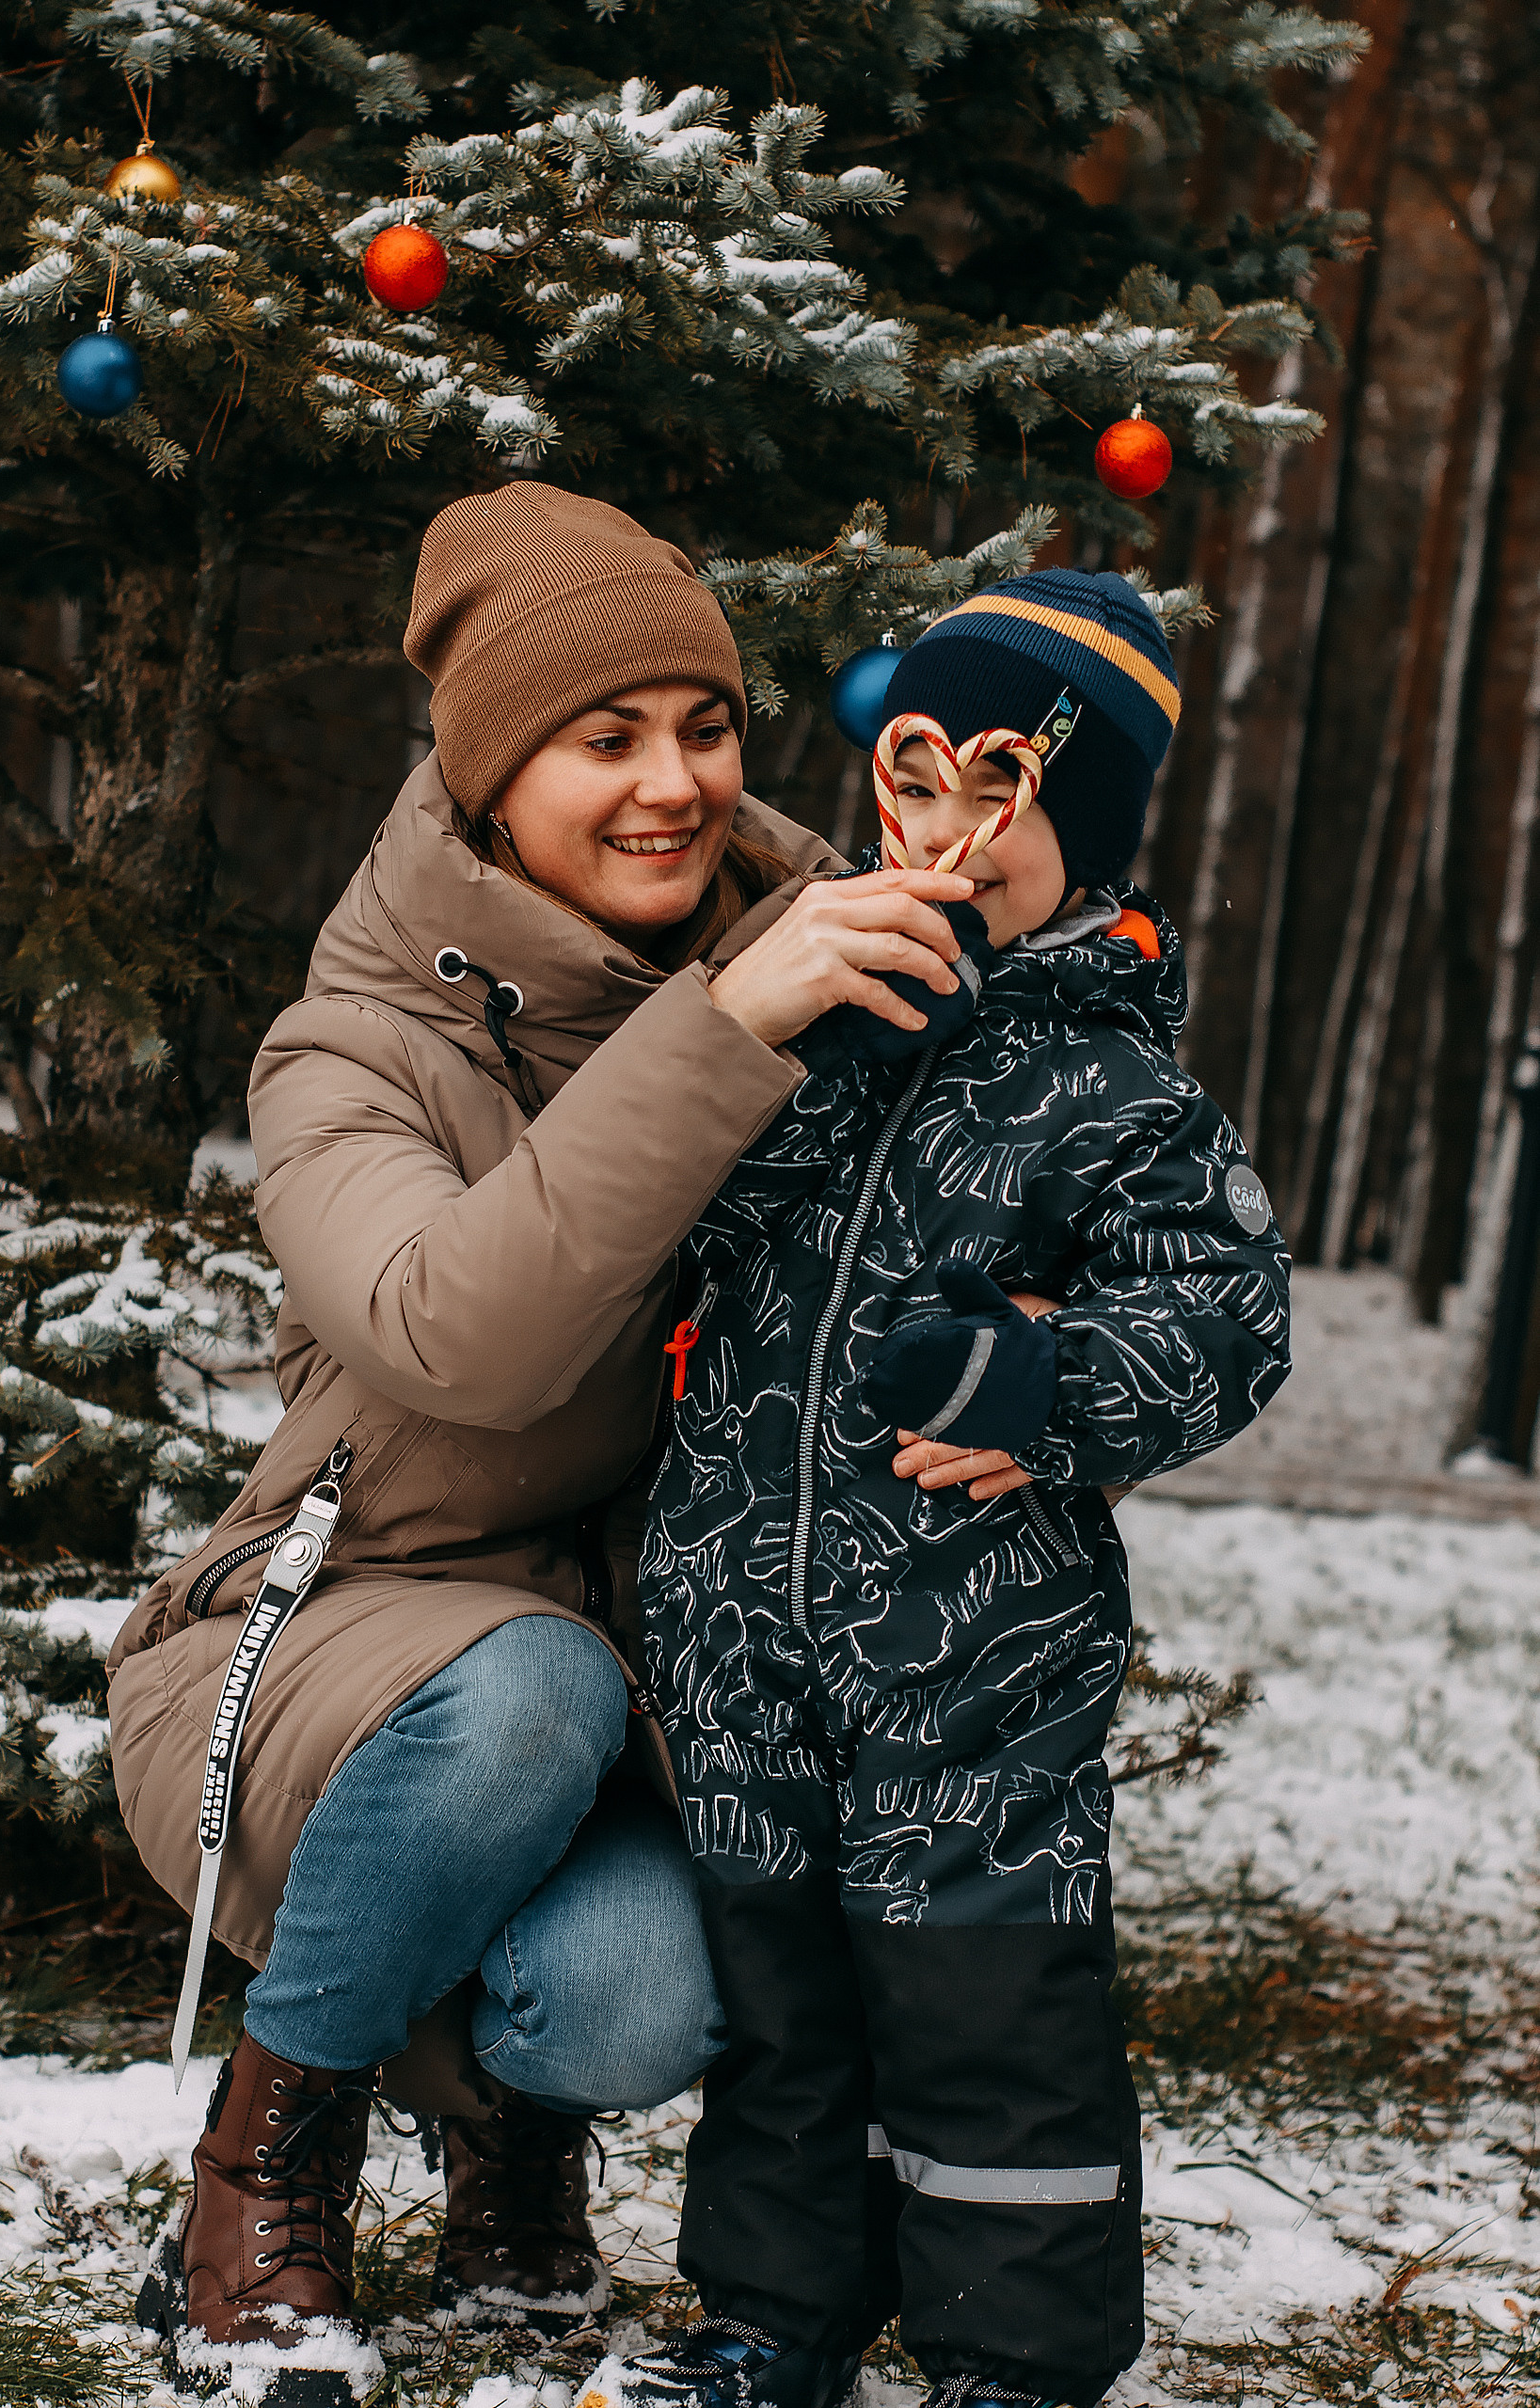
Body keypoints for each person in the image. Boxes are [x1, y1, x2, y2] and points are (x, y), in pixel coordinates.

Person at [106, 483, 977, 2408]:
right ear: (491, 781)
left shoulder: (836, 972)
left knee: (636, 1996)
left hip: (642, 1693)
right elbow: (465, 1337)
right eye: (604, 738)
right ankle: (262, 2165)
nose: (673, 784)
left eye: (705, 726)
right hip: (335, 1650)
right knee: (524, 1688)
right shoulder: (348, 1053)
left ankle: (512, 2131)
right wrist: (724, 1027)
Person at [590, 572, 1294, 2408]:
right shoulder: (798, 1020)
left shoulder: (1112, 1088)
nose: (946, 830)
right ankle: (773, 2315)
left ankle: (1013, 2351)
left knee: (981, 2000)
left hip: (976, 1647)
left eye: (1002, 786)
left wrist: (1045, 1386)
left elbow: (1223, 1317)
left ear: (1085, 824)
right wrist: (765, 1043)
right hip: (744, 1624)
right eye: (915, 778)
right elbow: (667, 1221)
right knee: (780, 1999)